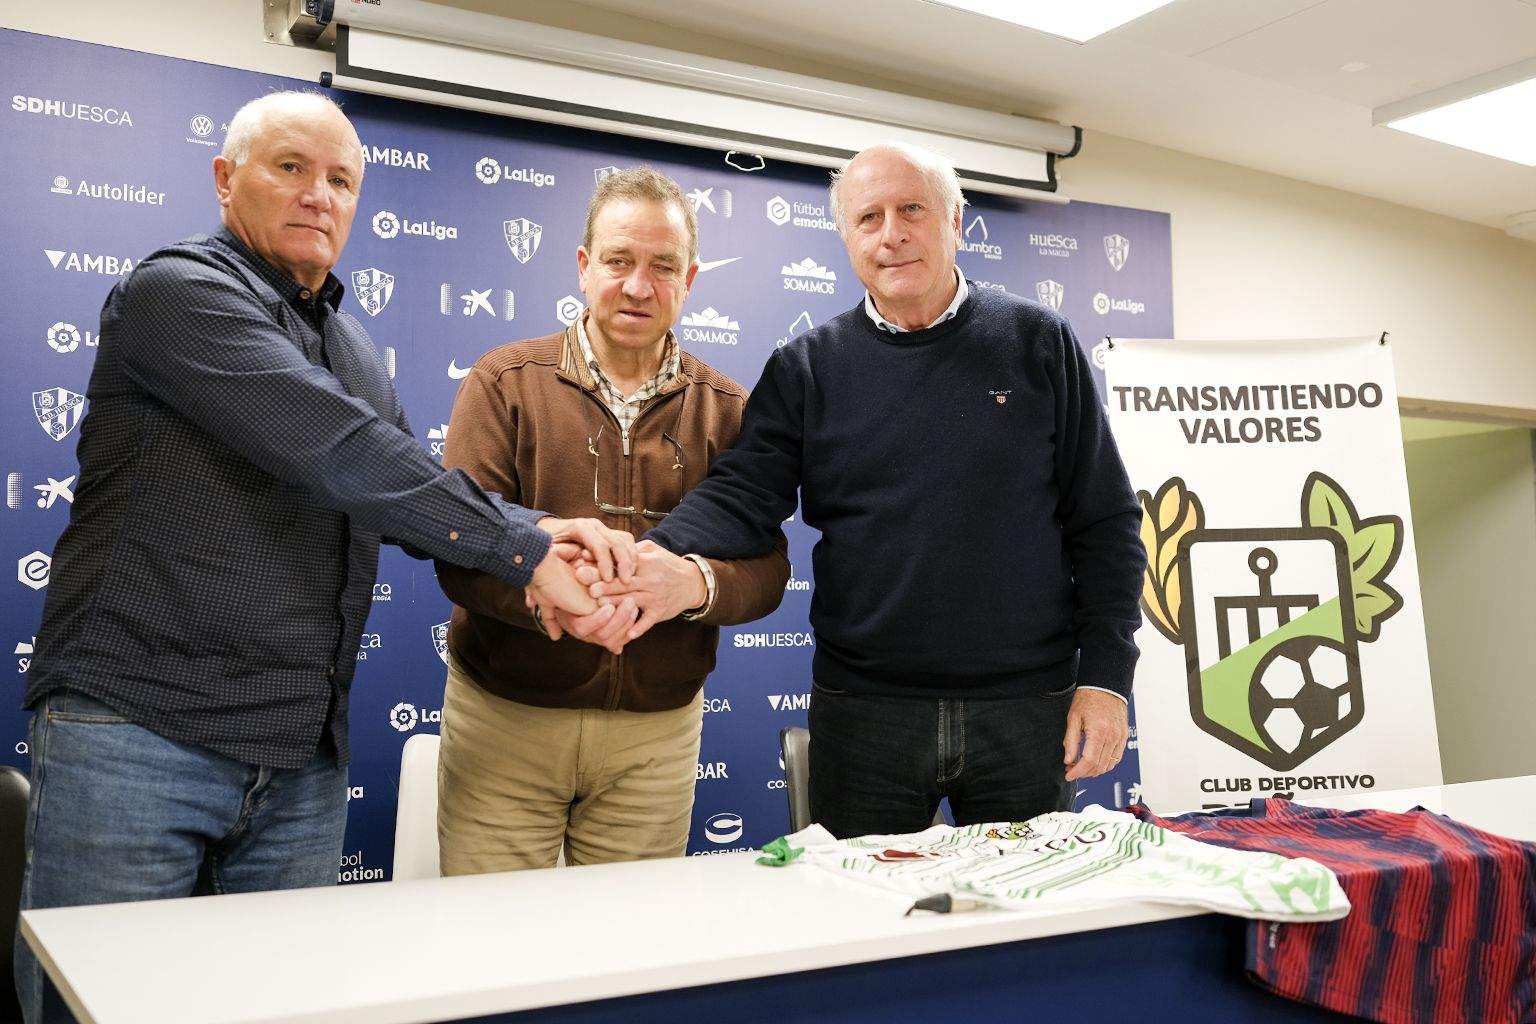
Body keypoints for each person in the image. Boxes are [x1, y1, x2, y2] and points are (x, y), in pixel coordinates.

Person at [14, 91, 628, 1023]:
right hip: (140, 737)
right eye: (290, 169)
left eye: (341, 180)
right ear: (226, 180)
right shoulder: (176, 293)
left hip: (299, 759)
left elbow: (402, 482)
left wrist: (538, 538)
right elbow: (339, 450)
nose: (319, 196)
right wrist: (525, 548)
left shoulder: (352, 342)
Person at [640, 142, 1147, 839]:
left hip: (1025, 710)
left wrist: (1108, 677)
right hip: (866, 715)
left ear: (955, 220)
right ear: (846, 237)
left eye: (911, 209)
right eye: (868, 217)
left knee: (1017, 927)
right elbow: (743, 494)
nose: (891, 234)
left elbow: (1107, 521)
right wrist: (651, 555)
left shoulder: (1039, 343)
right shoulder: (805, 369)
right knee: (863, 925)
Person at [435, 167, 788, 874]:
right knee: (493, 951)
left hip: (655, 741)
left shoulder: (729, 409)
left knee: (630, 954)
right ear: (583, 265)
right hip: (507, 723)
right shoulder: (503, 382)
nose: (637, 286)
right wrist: (548, 599)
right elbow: (457, 543)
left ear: (688, 279)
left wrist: (688, 586)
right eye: (619, 261)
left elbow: (769, 569)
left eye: (662, 267)